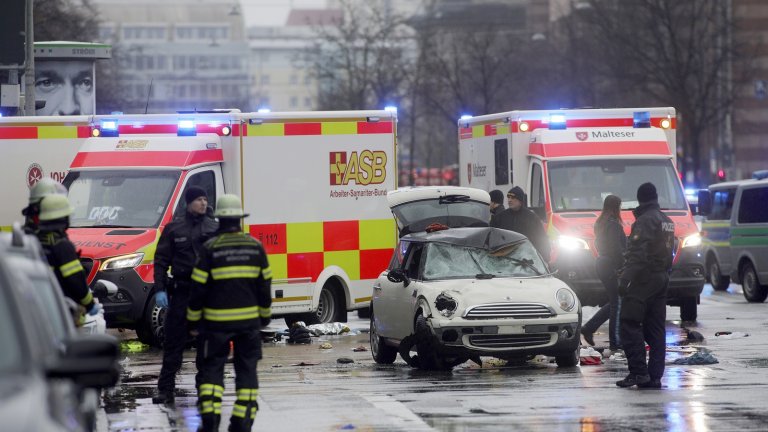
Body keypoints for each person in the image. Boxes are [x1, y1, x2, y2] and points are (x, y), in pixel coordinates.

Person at [187, 194, 272, 432]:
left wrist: (193, 322)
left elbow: (198, 290)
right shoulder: (256, 248)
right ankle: (241, 422)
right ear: (239, 220)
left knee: (212, 372)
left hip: (215, 326)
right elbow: (265, 287)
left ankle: (211, 421)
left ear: (219, 220)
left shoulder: (209, 249)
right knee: (246, 374)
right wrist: (263, 316)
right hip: (248, 325)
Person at [152, 186, 218, 404]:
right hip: (182, 292)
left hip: (208, 295)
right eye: (199, 199)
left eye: (205, 199)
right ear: (189, 202)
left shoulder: (213, 227)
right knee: (173, 344)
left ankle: (205, 390)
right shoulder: (174, 228)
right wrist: (160, 288)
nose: (203, 203)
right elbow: (161, 261)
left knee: (206, 346)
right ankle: (165, 390)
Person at [616, 183, 675, 389]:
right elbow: (670, 252)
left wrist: (625, 279)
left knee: (629, 323)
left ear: (640, 199)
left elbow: (638, 255)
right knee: (656, 329)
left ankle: (639, 373)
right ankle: (655, 376)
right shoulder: (667, 221)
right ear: (655, 197)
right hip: (661, 278)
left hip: (644, 279)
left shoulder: (644, 221)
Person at [36, 194, 101, 318]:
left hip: (39, 307)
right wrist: (89, 304)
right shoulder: (62, 245)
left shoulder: (33, 240)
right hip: (62, 310)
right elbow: (75, 278)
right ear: (63, 218)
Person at [580, 195, 626, 351]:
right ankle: (616, 341)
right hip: (611, 265)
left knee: (614, 302)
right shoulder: (613, 225)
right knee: (618, 303)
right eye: (619, 206)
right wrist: (621, 267)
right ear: (615, 207)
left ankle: (589, 328)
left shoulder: (601, 223)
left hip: (602, 263)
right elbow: (617, 249)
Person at [490, 186, 551, 261]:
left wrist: (545, 259)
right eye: (508, 197)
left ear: (520, 201)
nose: (509, 200)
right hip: (505, 260)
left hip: (527, 261)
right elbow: (492, 239)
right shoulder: (500, 217)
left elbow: (542, 240)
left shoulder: (532, 218)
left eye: (513, 198)